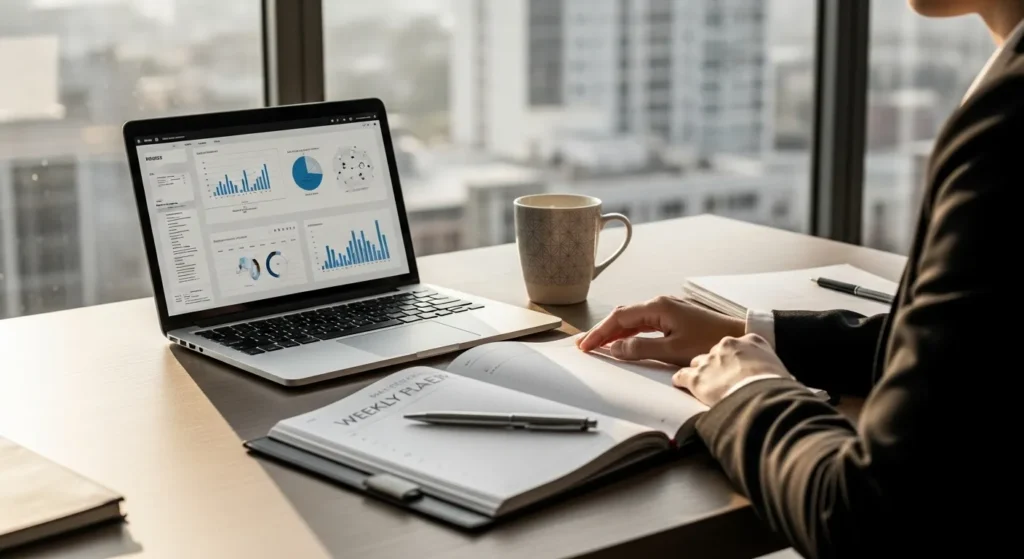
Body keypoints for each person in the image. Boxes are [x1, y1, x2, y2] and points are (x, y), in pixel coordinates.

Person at [576, 1, 1024, 557]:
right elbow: (981, 347)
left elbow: (865, 516)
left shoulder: (1008, 124)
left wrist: (744, 391)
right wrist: (755, 334)